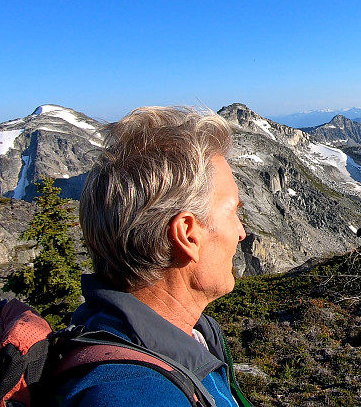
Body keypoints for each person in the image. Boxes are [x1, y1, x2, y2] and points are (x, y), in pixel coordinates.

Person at [57, 106, 250, 406]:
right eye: (233, 212)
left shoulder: (180, 339)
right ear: (187, 235)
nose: (241, 232)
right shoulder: (135, 394)